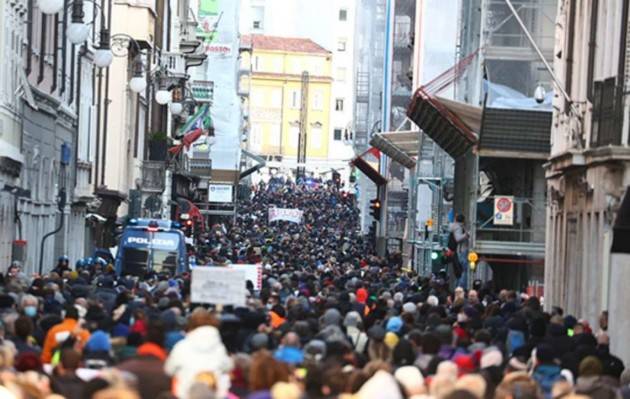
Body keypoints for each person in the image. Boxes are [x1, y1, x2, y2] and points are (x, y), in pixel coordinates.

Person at [165, 309, 233, 399]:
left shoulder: (182, 346)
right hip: (213, 394)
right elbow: (228, 367)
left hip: (187, 394)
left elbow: (169, 369)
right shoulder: (219, 348)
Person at [450, 214, 470, 288]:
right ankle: (461, 286)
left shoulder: (456, 227)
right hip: (462, 251)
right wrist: (466, 235)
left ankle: (459, 286)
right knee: (465, 270)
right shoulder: (458, 227)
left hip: (460, 251)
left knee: (462, 271)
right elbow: (458, 238)